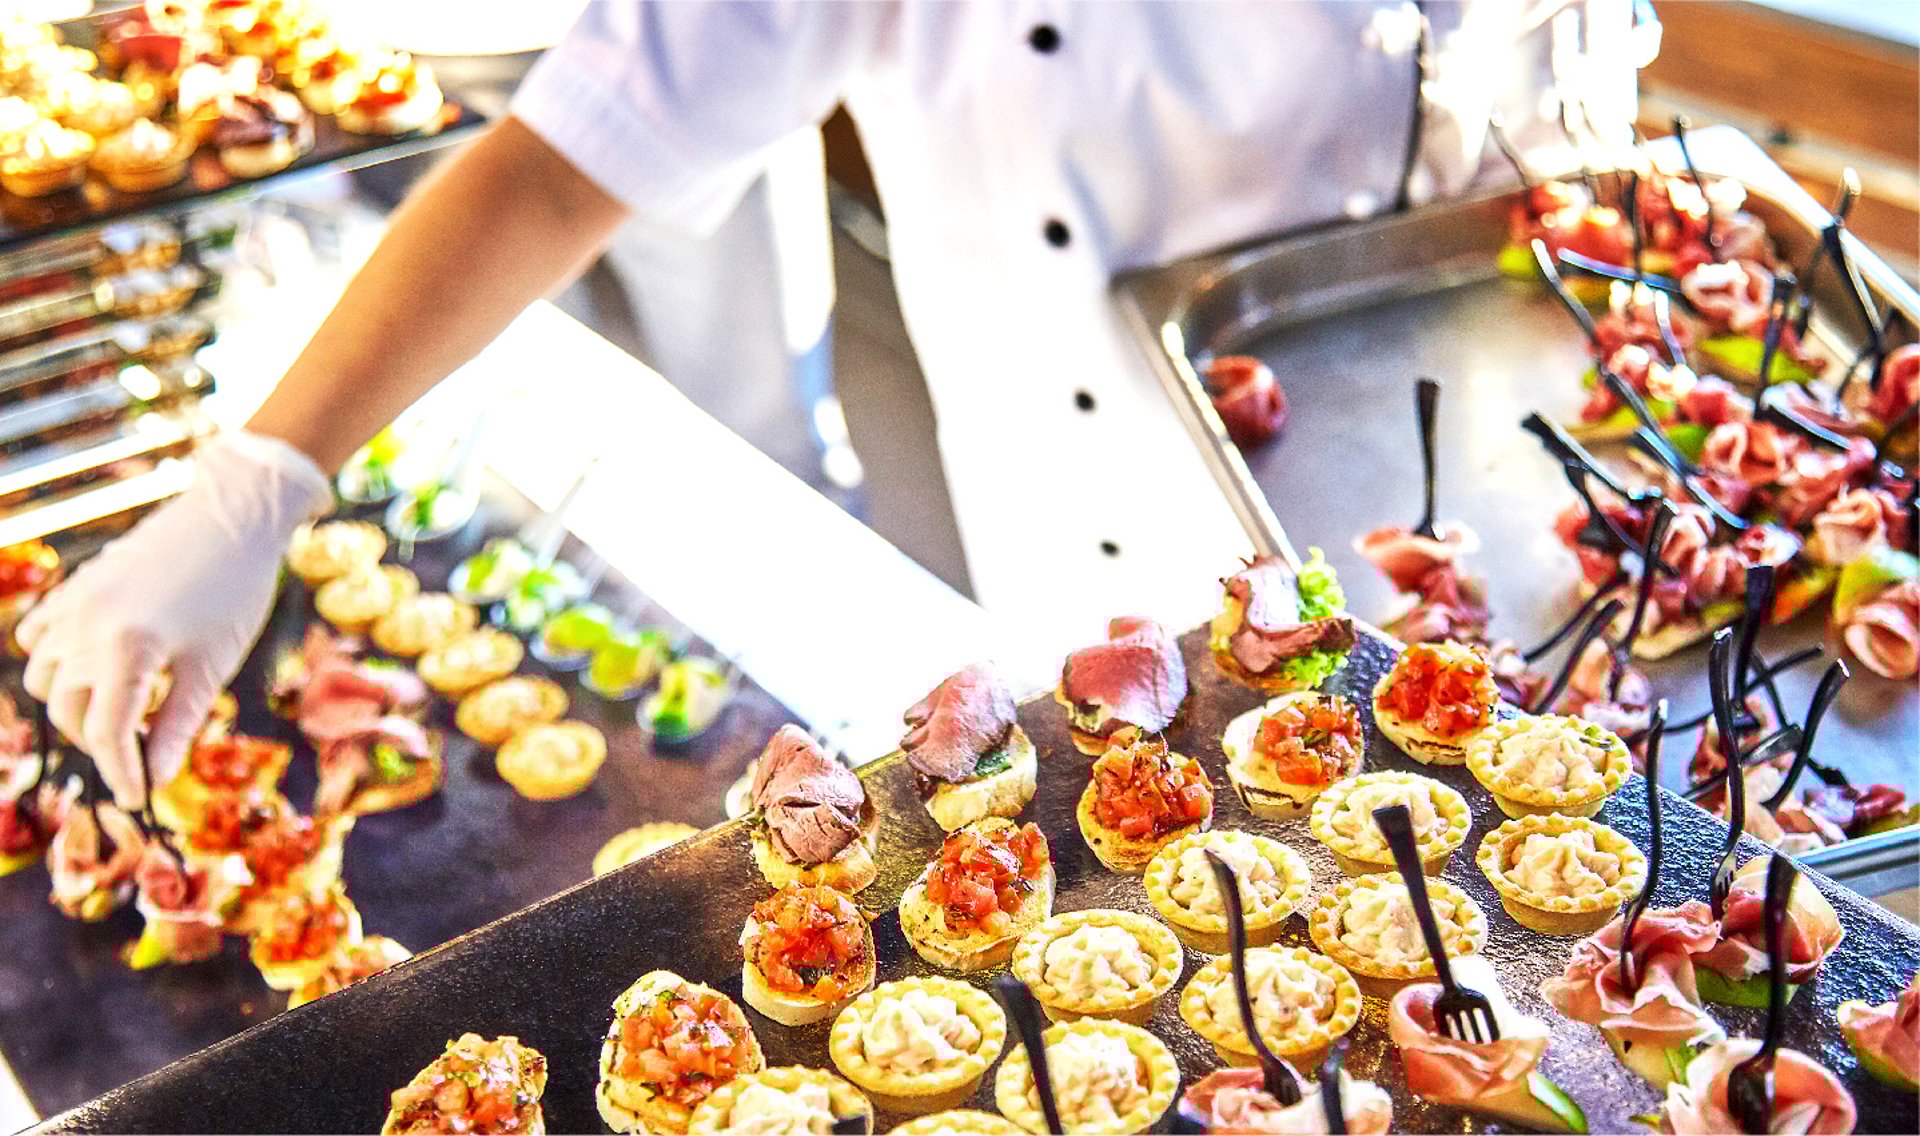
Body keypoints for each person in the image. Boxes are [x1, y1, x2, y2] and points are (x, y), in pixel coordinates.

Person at [21, 0, 1644, 806]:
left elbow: (1557, 157)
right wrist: (259, 476)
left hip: (1460, 496)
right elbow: (562, 158)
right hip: (1096, 555)